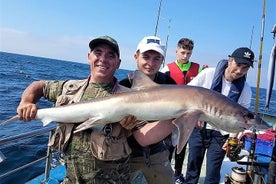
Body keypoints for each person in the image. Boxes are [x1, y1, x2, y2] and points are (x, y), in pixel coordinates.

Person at [16, 36, 139, 184]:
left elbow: (143, 135)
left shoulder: (132, 97)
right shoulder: (69, 88)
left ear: (118, 63)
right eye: (98, 53)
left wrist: (131, 127)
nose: (103, 59)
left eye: (110, 55)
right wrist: (26, 102)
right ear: (89, 57)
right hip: (72, 179)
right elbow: (38, 86)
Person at [185, 47, 254, 184]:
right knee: (192, 167)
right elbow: (187, 93)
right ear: (230, 60)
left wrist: (232, 139)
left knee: (213, 173)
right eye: (238, 64)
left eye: (245, 67)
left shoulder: (245, 90)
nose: (240, 70)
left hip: (220, 135)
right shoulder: (208, 74)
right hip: (199, 129)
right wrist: (194, 116)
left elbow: (243, 119)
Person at [119, 36, 176, 184]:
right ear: (136, 56)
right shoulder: (123, 86)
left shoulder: (169, 84)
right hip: (128, 153)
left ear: (162, 60)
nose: (151, 63)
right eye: (146, 57)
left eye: (157, 58)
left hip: (159, 152)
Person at [161, 38, 206, 183]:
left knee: (182, 146)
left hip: (189, 116)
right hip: (170, 114)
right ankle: (165, 172)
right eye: (183, 52)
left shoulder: (199, 69)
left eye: (188, 53)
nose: (185, 56)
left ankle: (178, 175)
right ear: (176, 51)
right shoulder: (166, 69)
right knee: (167, 146)